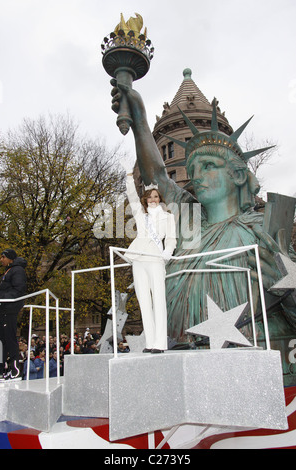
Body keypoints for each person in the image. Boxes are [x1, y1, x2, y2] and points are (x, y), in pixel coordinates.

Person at [110, 80, 296, 352]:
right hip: (177, 362)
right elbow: (157, 176)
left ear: (238, 174)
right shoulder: (189, 220)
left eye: (209, 165)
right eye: (193, 168)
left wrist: (288, 289)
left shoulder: (265, 231)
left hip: (254, 362)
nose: (197, 176)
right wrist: (139, 118)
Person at [124, 170, 176, 353]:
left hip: (155, 258)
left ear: (159, 198)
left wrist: (168, 251)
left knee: (159, 301)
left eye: (156, 196)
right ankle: (150, 342)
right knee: (144, 302)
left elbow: (171, 239)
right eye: (149, 197)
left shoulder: (168, 217)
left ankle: (160, 344)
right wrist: (130, 177)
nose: (153, 199)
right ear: (145, 199)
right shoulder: (141, 215)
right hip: (138, 258)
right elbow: (131, 196)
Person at [0, 248, 27, 382]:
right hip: (3, 308)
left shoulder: (18, 270)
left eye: (3, 257)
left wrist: (3, 297)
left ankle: (16, 370)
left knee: (10, 338)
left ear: (10, 258)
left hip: (10, 308)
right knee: (1, 340)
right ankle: (2, 369)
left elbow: (18, 290)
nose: (1, 259)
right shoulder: (8, 271)